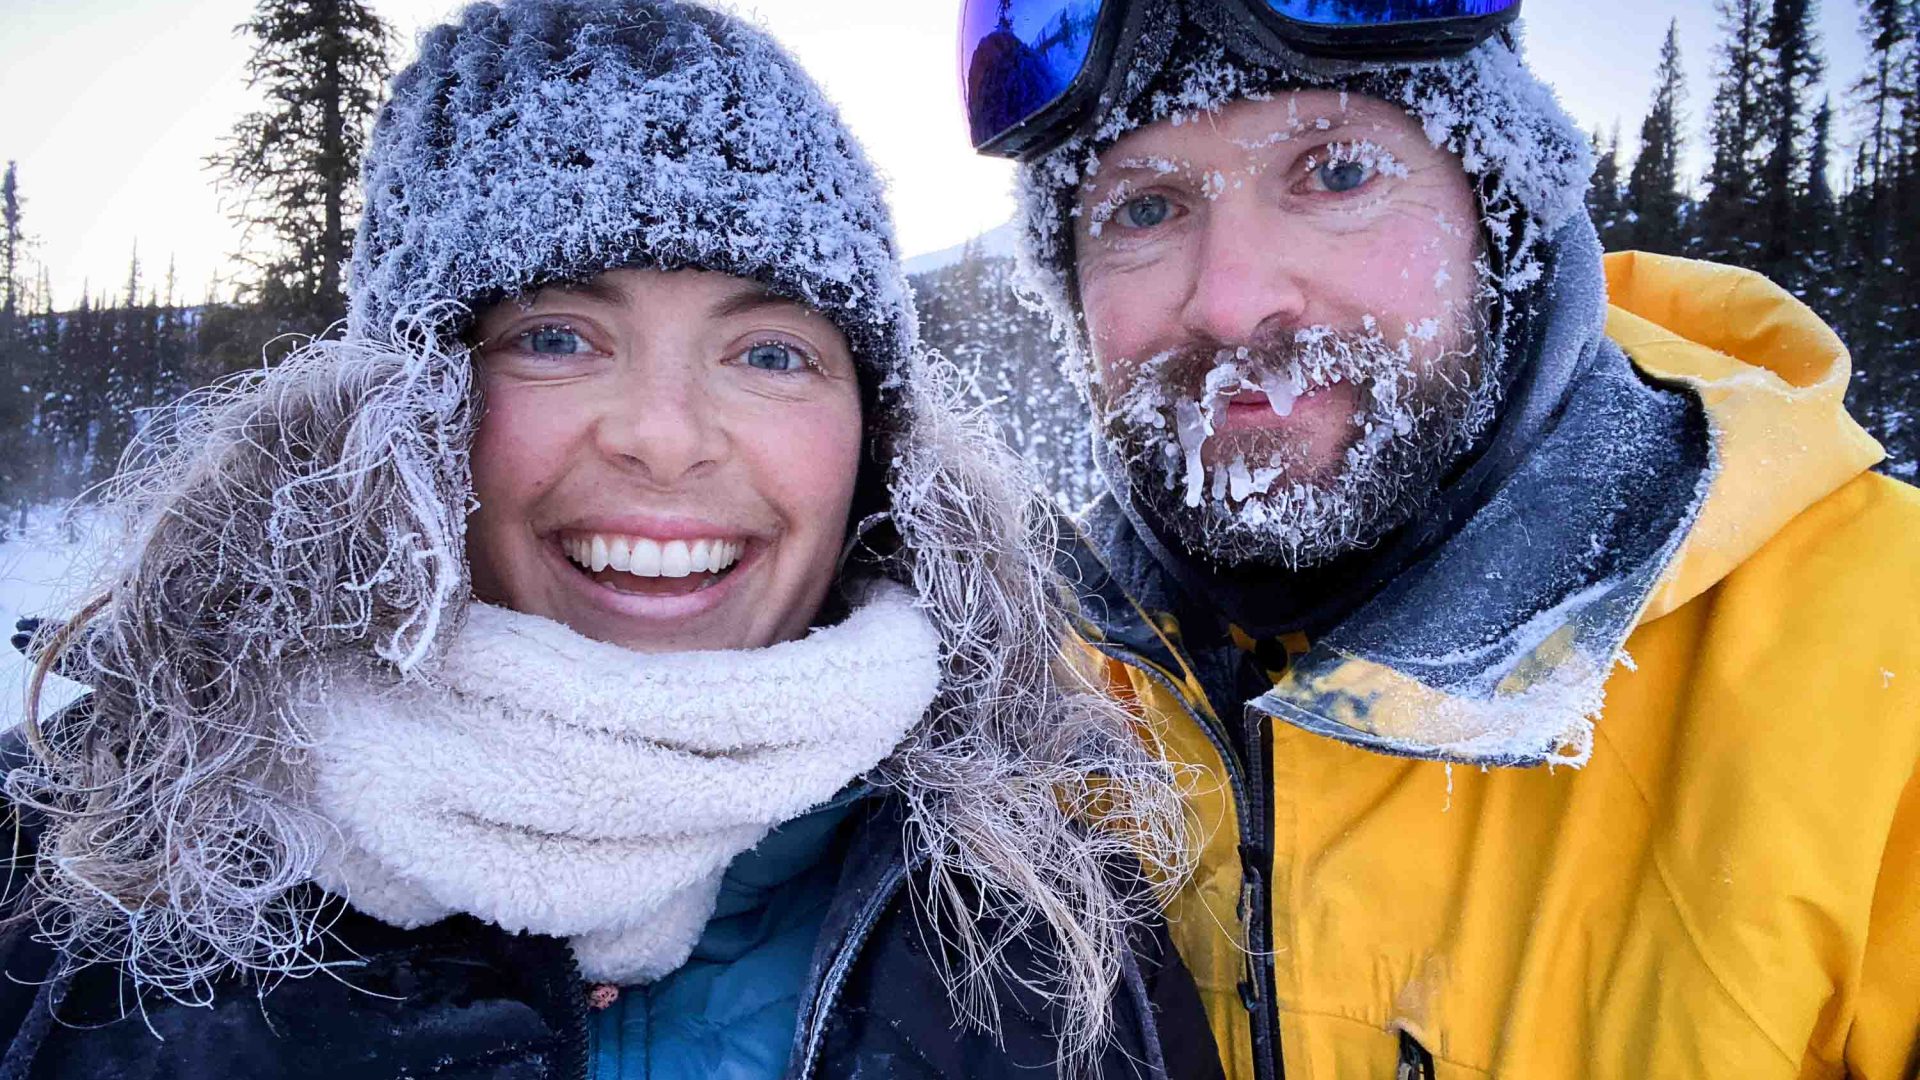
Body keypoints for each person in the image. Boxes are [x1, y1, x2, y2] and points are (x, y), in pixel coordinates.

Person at [0, 3, 1225, 1077]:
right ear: (392, 415)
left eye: (770, 354)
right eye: (557, 336)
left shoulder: (1048, 925)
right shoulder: (73, 890)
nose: (665, 437)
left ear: (877, 446)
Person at [959, 0, 1920, 1077]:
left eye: (1335, 174)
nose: (1232, 304)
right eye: (1145, 209)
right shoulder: (1022, 715)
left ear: (1495, 214)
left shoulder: (1885, 656)